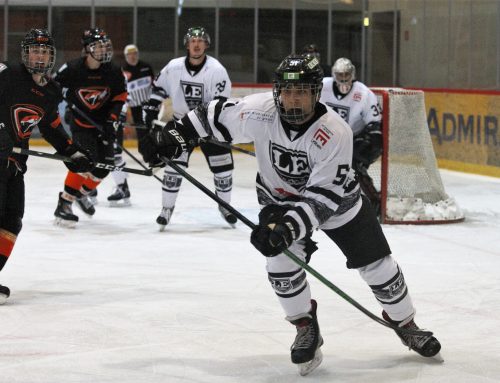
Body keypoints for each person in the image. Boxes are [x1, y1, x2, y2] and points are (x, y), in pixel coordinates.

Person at [140, 54, 442, 375]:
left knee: (379, 268)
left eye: (301, 92)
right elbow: (212, 114)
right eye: (286, 91)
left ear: (315, 93)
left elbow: (322, 199)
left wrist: (287, 228)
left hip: (339, 206)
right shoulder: (260, 111)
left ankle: (406, 323)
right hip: (280, 201)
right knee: (280, 266)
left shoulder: (335, 132)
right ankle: (305, 326)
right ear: (277, 92)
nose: (292, 99)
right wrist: (175, 135)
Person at [0, 29, 94, 303]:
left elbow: (52, 128)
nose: (39, 56)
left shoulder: (50, 91)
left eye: (44, 51)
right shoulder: (6, 73)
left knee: (11, 222)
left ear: (51, 56)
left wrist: (72, 152)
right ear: (24, 54)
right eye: (34, 51)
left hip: (15, 164)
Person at [139, 26, 236, 231]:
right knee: (174, 169)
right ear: (188, 45)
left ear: (206, 45)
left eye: (201, 41)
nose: (197, 44)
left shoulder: (216, 70)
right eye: (193, 41)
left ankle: (225, 207)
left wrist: (204, 129)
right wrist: (150, 108)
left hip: (209, 126)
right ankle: (166, 209)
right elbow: (159, 88)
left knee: (223, 169)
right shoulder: (174, 67)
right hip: (182, 125)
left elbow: (220, 104)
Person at [52, 27, 127, 226]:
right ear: (88, 49)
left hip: (103, 124)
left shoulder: (113, 71)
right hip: (80, 122)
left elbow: (120, 96)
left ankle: (80, 194)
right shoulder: (72, 69)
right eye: (99, 46)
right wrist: (62, 92)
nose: (103, 50)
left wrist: (112, 118)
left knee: (105, 166)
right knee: (83, 160)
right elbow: (52, 86)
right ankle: (64, 203)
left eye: (105, 46)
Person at [320, 57, 383, 215]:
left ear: (352, 74)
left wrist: (368, 143)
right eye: (340, 74)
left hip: (354, 139)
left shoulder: (363, 93)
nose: (343, 78)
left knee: (353, 167)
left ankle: (375, 201)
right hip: (326, 138)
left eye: (346, 74)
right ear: (334, 74)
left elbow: (375, 124)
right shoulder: (322, 86)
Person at [106, 44, 154, 207]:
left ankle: (121, 187)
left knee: (114, 154)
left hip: (122, 115)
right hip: (111, 117)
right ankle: (114, 187)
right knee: (106, 154)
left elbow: (122, 97)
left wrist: (119, 114)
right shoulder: (120, 71)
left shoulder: (143, 68)